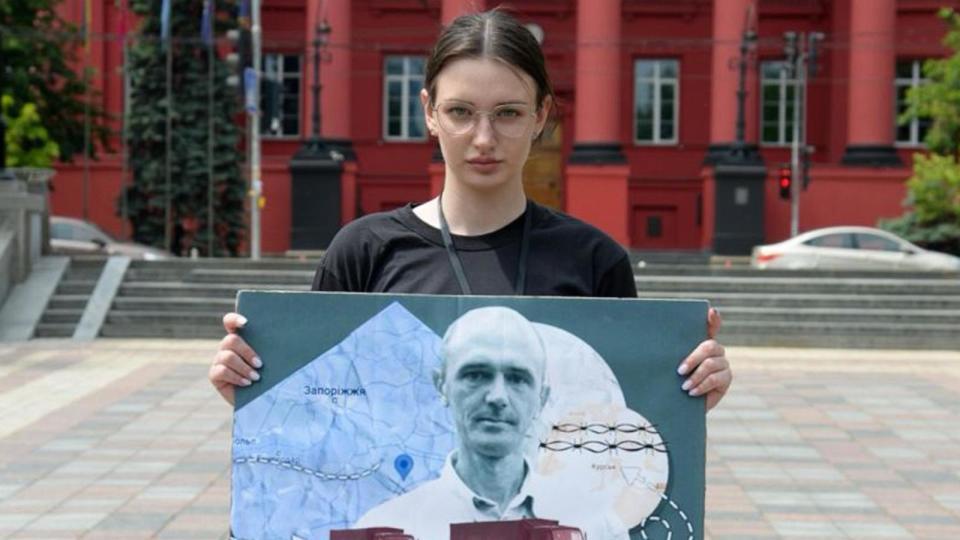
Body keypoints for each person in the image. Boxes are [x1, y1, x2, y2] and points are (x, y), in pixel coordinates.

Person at [210, 7, 730, 423]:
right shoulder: (364, 251)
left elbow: (616, 417)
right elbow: (318, 413)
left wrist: (683, 398)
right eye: (461, 112)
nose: (484, 139)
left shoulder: (593, 259)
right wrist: (253, 390)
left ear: (540, 116)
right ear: (429, 113)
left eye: (508, 113)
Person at [353, 307, 584, 540]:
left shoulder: (591, 524)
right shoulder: (386, 527)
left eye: (517, 379)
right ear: (442, 386)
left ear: (541, 399)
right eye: (476, 375)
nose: (498, 397)